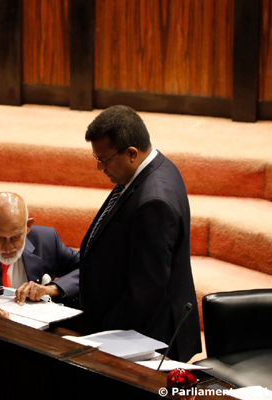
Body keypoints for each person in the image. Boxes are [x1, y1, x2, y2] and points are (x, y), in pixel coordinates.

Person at [79, 105, 201, 362]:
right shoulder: (153, 169)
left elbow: (146, 291)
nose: (100, 168)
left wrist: (101, 335)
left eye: (104, 159)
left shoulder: (154, 201)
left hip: (146, 339)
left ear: (132, 153)